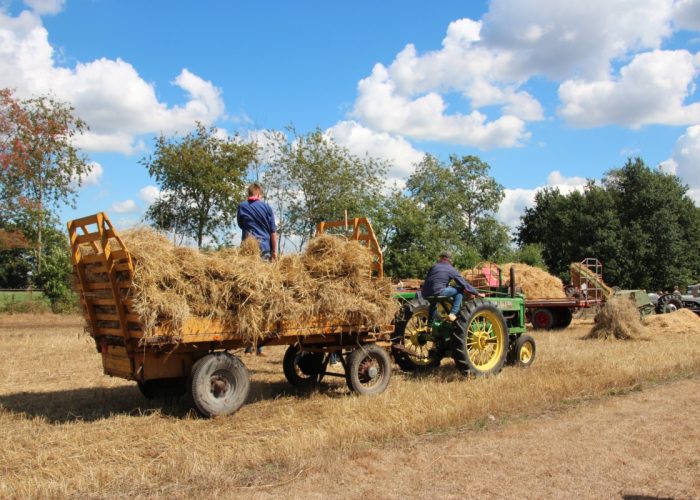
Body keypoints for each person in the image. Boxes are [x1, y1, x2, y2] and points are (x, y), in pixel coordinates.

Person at [237, 183, 277, 355]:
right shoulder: (266, 207)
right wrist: (275, 253)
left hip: (247, 251)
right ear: (259, 194)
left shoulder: (242, 206)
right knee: (262, 295)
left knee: (248, 295)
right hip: (264, 251)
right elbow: (273, 232)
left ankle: (248, 344)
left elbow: (241, 225)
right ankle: (259, 344)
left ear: (249, 193)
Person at [421, 251, 483, 322]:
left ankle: (429, 325)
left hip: (425, 293)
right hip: (438, 291)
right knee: (460, 289)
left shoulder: (434, 266)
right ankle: (453, 313)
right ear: (450, 260)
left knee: (433, 303)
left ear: (441, 258)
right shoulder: (451, 269)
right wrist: (477, 293)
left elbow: (431, 279)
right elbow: (464, 284)